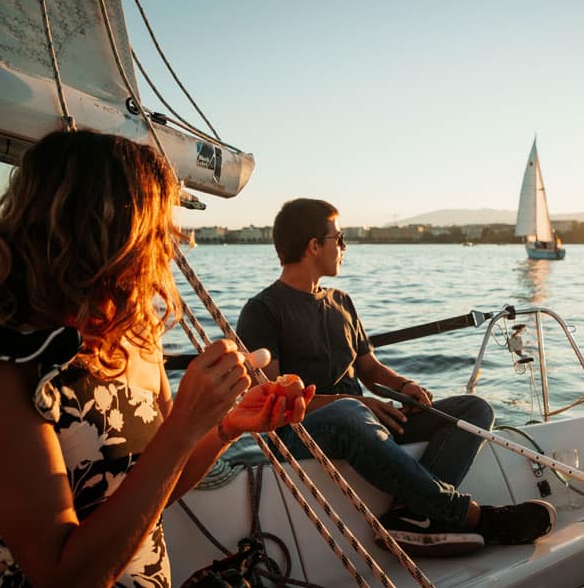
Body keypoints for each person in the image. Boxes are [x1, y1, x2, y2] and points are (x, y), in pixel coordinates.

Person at [0, 130, 312, 587]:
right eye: (158, 226)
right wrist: (182, 427)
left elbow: (156, 487)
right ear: (107, 231)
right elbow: (63, 578)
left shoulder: (134, 339)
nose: (170, 243)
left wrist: (223, 426)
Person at [237, 198, 555, 557]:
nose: (344, 247)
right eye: (339, 238)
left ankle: (411, 516)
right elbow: (274, 401)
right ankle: (470, 516)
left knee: (473, 411)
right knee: (349, 415)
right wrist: (356, 403)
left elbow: (369, 369)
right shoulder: (262, 311)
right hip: (301, 434)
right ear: (314, 246)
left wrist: (404, 387)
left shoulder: (341, 301)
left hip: (360, 418)